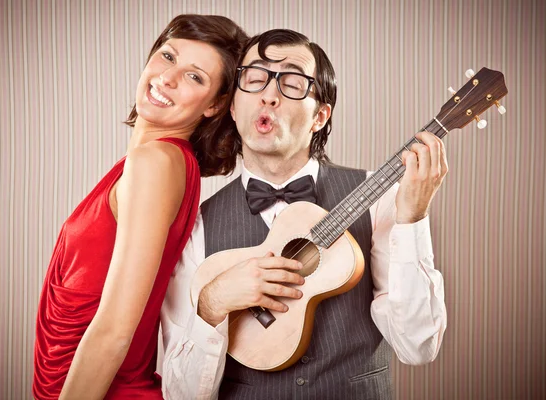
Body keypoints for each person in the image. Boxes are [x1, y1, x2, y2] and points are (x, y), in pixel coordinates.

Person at [159, 29, 447, 399]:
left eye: (293, 82)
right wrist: (213, 302)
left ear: (320, 116)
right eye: (255, 78)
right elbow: (180, 394)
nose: (269, 94)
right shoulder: (197, 225)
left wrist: (412, 220)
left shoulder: (380, 197)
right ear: (233, 107)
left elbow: (418, 347)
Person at [32, 14, 248, 399]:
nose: (167, 78)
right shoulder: (160, 162)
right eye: (167, 56)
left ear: (215, 105)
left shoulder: (157, 163)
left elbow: (116, 329)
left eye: (195, 76)